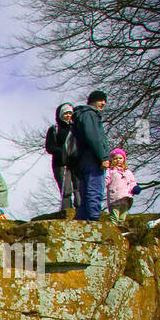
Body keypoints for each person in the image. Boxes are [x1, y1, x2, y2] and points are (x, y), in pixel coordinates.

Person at [70, 90, 111, 221]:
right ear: (92, 101)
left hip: (82, 161)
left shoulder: (81, 115)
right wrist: (103, 157)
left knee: (85, 193)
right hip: (92, 159)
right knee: (94, 190)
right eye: (100, 100)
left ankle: (83, 221)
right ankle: (94, 221)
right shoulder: (90, 115)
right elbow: (94, 137)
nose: (103, 103)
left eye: (104, 101)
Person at [44, 103, 79, 213]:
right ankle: (67, 211)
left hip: (76, 162)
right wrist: (63, 153)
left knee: (79, 187)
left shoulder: (77, 128)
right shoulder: (55, 129)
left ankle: (81, 209)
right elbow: (50, 147)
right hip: (61, 163)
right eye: (65, 113)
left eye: (70, 113)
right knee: (66, 189)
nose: (68, 115)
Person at [104, 148, 138, 224]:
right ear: (111, 160)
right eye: (115, 158)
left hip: (126, 197)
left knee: (122, 215)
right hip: (115, 196)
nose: (118, 160)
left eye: (120, 158)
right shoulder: (110, 171)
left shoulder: (128, 172)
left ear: (124, 159)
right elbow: (105, 181)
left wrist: (135, 188)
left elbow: (132, 182)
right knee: (114, 215)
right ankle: (114, 227)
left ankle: (121, 228)